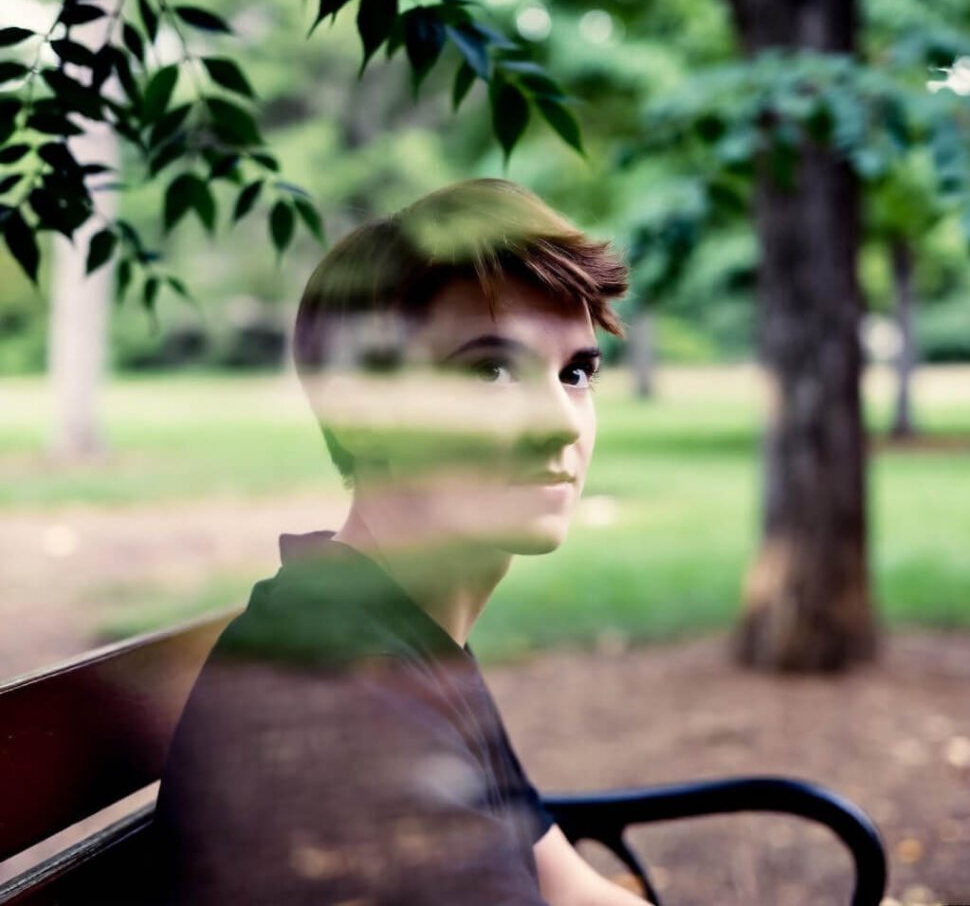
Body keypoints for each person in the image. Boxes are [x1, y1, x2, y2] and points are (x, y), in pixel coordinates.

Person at [151, 178, 650, 905]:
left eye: (576, 373)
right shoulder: (344, 704)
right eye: (492, 370)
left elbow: (574, 892)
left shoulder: (388, 627)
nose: (563, 423)